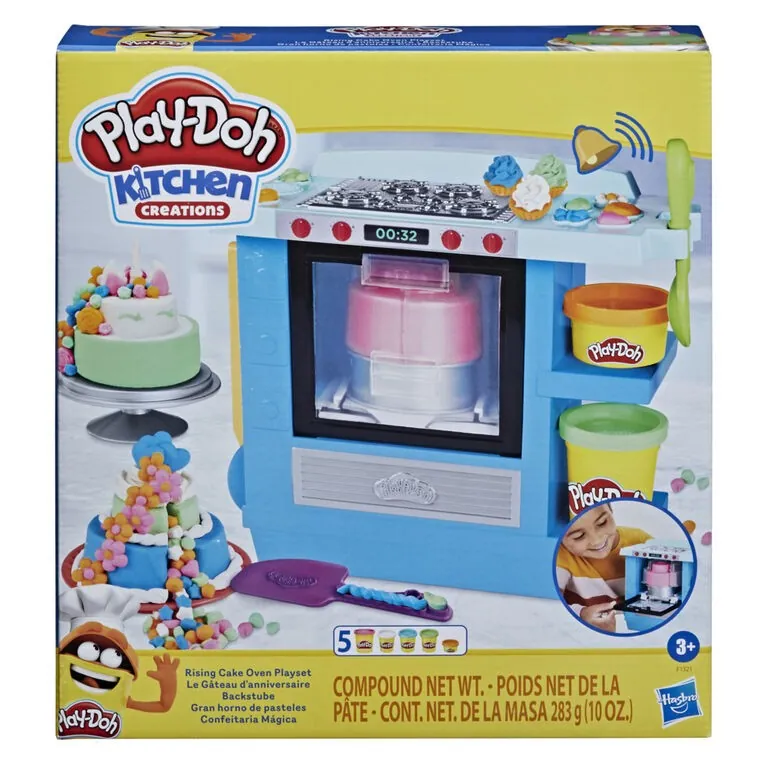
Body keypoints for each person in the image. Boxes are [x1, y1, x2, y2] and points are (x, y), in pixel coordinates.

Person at [556, 503, 650, 632]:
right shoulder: (559, 555)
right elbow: (553, 607)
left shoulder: (641, 541)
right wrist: (582, 614)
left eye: (602, 523)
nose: (597, 540)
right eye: (578, 536)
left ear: (610, 509)